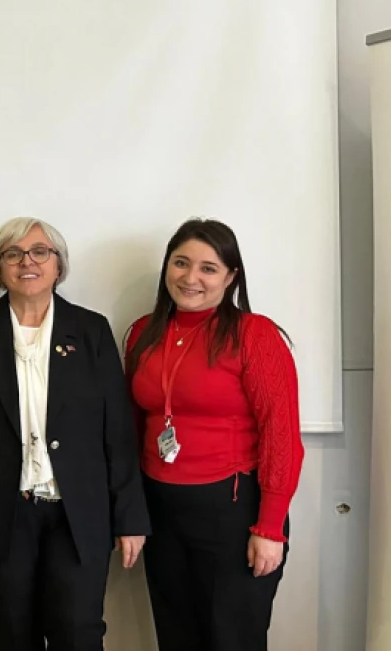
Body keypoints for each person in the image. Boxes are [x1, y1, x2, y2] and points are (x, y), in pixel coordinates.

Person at [0, 217, 150, 650]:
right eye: (13, 254)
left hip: (78, 515)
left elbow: (117, 431)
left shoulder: (91, 331)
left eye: (40, 252)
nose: (27, 262)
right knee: (14, 633)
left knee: (79, 632)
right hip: (4, 513)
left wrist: (129, 517)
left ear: (58, 265)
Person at [125, 218, 304, 651]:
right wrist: (127, 509)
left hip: (233, 512)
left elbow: (281, 434)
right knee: (176, 635)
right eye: (180, 263)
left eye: (208, 268)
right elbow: (131, 426)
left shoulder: (254, 334)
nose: (191, 277)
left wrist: (269, 528)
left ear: (231, 276)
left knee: (232, 638)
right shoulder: (142, 333)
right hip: (160, 511)